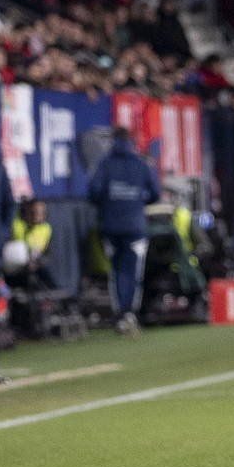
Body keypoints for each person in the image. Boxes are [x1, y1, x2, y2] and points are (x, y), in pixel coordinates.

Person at [88, 127, 160, 335]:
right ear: (131, 141)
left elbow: (93, 192)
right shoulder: (141, 164)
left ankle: (120, 313)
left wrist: (109, 204)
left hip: (111, 226)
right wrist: (138, 201)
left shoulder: (105, 164)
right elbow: (155, 193)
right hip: (135, 226)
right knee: (133, 272)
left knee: (116, 271)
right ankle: (129, 313)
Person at [9, 199, 56, 288]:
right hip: (15, 267)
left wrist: (37, 263)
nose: (37, 215)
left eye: (41, 212)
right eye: (33, 212)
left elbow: (48, 253)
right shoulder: (16, 225)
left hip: (36, 265)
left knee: (45, 275)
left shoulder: (46, 229)